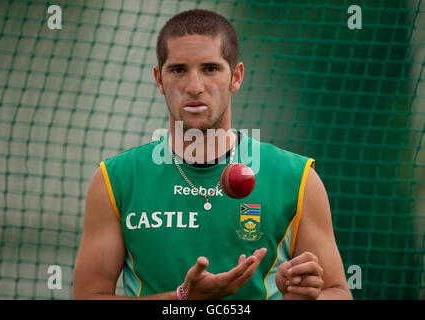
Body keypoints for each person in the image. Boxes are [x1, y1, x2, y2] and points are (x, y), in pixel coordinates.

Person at [73, 9, 352, 300]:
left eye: (210, 69)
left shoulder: (298, 179)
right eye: (179, 70)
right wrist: (181, 300)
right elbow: (88, 296)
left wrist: (299, 295)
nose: (194, 87)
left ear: (236, 77)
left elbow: (339, 293)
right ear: (159, 80)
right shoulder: (115, 180)